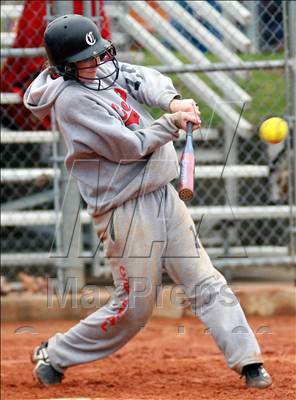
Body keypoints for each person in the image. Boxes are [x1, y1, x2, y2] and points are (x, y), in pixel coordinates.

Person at [24, 14, 272, 389]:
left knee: (205, 280)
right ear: (66, 68)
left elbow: (142, 78)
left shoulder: (100, 68)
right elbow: (130, 146)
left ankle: (249, 362)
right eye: (87, 60)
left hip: (162, 194)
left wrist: (174, 101)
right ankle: (56, 353)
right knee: (135, 307)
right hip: (124, 208)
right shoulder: (72, 102)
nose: (100, 63)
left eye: (100, 53)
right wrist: (172, 123)